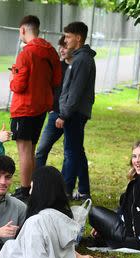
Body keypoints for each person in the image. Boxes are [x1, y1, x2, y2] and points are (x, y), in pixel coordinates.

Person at [88, 132, 140, 252]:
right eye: (134, 156)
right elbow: (126, 209)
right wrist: (103, 226)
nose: (137, 161)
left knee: (94, 212)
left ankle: (106, 239)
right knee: (104, 221)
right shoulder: (138, 181)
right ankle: (105, 237)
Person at [9, 15, 62, 201]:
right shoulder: (51, 52)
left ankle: (25, 190)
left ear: (23, 30)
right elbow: (56, 80)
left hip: (24, 108)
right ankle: (31, 188)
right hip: (41, 108)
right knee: (31, 149)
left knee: (24, 151)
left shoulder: (26, 54)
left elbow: (19, 86)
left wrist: (12, 79)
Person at [56, 21, 96, 200]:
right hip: (75, 112)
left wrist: (64, 114)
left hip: (74, 113)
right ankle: (84, 189)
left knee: (71, 152)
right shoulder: (80, 57)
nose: (66, 40)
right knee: (76, 150)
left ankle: (65, 190)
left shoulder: (81, 59)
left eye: (68, 36)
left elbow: (75, 91)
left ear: (78, 38)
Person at [35, 36, 72, 169]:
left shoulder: (77, 67)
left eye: (65, 46)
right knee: (41, 149)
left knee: (71, 153)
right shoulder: (58, 66)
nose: (62, 50)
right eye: (60, 47)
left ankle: (68, 186)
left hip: (71, 115)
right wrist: (49, 107)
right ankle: (37, 181)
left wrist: (64, 115)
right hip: (55, 113)